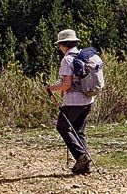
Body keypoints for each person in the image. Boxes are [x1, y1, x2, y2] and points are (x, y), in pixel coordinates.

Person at [44, 29, 96, 175]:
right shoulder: (84, 57)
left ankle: (81, 157)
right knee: (78, 131)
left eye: (59, 45)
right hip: (88, 99)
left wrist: (50, 88)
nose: (59, 48)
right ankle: (84, 167)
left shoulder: (67, 60)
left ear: (63, 44)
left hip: (73, 102)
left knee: (63, 127)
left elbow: (67, 85)